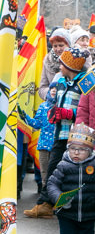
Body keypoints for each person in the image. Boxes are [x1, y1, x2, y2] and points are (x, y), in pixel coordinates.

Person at [25, 47, 90, 218]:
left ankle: (60, 204)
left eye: (63, 64)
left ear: (71, 66)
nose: (60, 67)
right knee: (54, 169)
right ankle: (46, 204)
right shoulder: (61, 82)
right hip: (59, 133)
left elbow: (86, 108)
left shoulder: (83, 83)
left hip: (75, 137)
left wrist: (70, 114)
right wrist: (54, 112)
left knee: (69, 172)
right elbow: (57, 103)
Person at [46, 123, 95, 234]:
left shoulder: (93, 166)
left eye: (81, 149)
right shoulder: (63, 165)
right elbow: (51, 184)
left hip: (89, 215)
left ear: (89, 151)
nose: (76, 152)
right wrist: (59, 198)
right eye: (73, 148)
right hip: (66, 214)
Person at [22, 82, 58, 205]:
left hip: (56, 146)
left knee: (55, 174)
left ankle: (53, 201)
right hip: (43, 145)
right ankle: (45, 202)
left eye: (56, 89)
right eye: (52, 88)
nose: (53, 90)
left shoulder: (61, 107)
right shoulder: (43, 107)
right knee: (44, 173)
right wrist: (25, 117)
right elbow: (37, 124)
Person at [38, 28, 70, 102]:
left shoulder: (77, 59)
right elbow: (42, 88)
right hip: (53, 106)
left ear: (68, 44)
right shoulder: (47, 60)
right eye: (55, 46)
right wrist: (49, 92)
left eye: (61, 45)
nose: (58, 49)